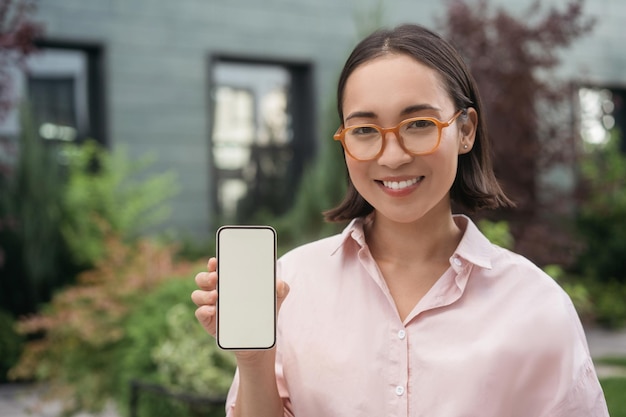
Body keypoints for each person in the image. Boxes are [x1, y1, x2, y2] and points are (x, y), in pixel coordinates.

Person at [192, 24, 609, 417]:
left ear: (465, 130)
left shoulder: (536, 304)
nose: (392, 156)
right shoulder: (290, 285)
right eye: (364, 130)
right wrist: (254, 360)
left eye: (419, 124)